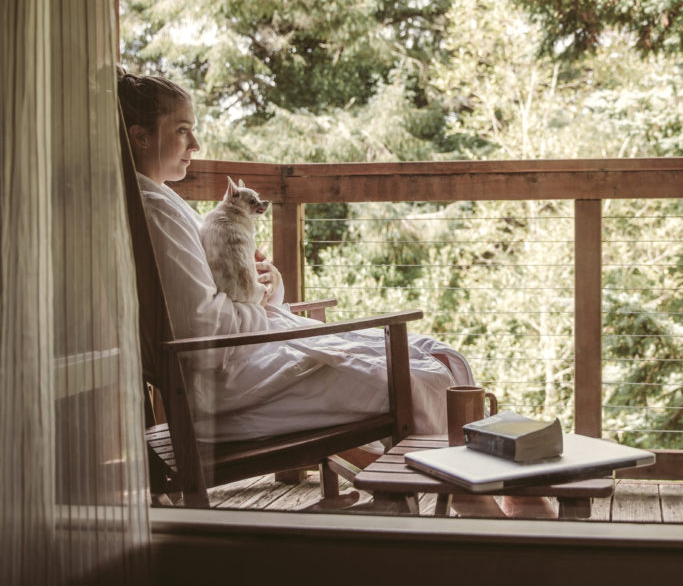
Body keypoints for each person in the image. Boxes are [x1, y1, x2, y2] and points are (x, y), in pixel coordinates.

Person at [118, 68, 554, 518]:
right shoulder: (157, 215)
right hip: (232, 385)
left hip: (247, 356)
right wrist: (260, 303)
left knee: (436, 356)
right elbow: (201, 331)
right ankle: (466, 493)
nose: (196, 145)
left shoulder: (162, 203)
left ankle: (479, 488)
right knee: (421, 373)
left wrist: (265, 285)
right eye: (183, 131)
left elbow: (220, 299)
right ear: (142, 137)